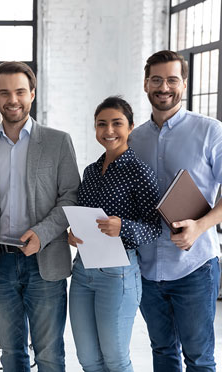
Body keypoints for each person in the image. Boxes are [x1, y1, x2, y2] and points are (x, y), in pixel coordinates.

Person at [0, 61, 80, 372]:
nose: (12, 99)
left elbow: (70, 196)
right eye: (4, 93)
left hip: (44, 262)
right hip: (0, 262)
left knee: (49, 355)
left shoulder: (58, 141)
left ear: (32, 94)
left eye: (19, 91)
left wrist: (42, 234)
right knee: (11, 355)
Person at [129, 50, 222, 371]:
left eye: (171, 79)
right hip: (147, 268)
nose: (163, 87)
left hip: (194, 267)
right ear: (145, 84)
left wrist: (200, 226)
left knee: (199, 359)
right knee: (163, 352)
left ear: (184, 84)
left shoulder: (211, 131)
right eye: (156, 79)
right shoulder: (133, 138)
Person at [68, 96, 162, 372]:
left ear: (131, 127)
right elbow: (83, 217)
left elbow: (155, 227)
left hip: (118, 274)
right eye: (101, 124)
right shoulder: (91, 172)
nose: (109, 130)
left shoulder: (139, 172)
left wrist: (124, 227)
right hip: (83, 271)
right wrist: (72, 234)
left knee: (115, 360)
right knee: (88, 359)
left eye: (117, 123)